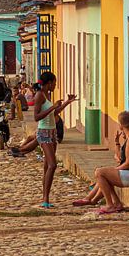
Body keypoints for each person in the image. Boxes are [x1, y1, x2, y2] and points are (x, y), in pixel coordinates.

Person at [92, 111, 129, 214]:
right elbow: (120, 158)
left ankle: (110, 205)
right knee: (103, 174)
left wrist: (114, 170)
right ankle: (117, 203)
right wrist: (117, 142)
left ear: (120, 125)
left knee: (100, 172)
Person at [35, 72, 77, 208]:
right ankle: (45, 198)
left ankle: (45, 198)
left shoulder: (47, 95)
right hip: (43, 133)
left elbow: (54, 113)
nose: (55, 85)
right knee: (53, 165)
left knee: (47, 166)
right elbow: (36, 117)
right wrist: (53, 107)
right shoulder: (39, 96)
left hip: (52, 132)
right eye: (55, 83)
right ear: (49, 83)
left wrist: (67, 103)